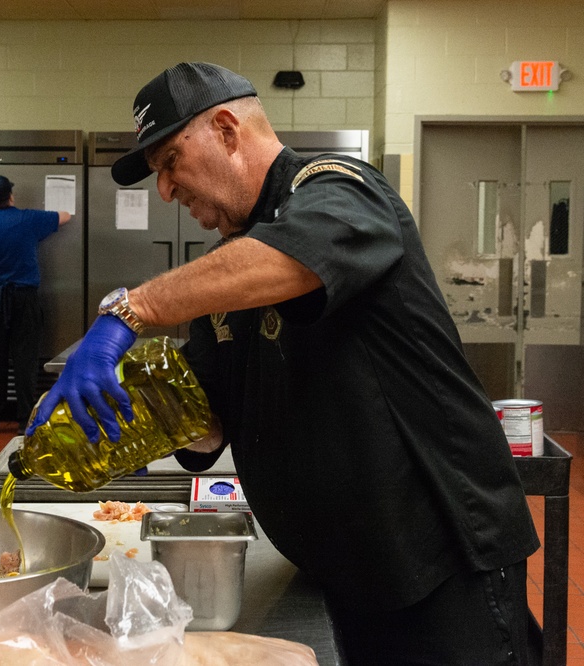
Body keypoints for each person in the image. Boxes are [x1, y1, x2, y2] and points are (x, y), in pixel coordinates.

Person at [28, 62, 541, 664]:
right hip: (349, 567)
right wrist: (124, 423)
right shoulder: (232, 265)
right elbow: (210, 417)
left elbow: (292, 260)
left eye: (169, 162)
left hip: (441, 558)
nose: (164, 190)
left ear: (224, 128)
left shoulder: (339, 188)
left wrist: (128, 311)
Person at [0, 175, 71, 434]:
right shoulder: (30, 219)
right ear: (11, 196)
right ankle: (25, 419)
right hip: (25, 299)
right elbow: (65, 215)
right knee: (26, 360)